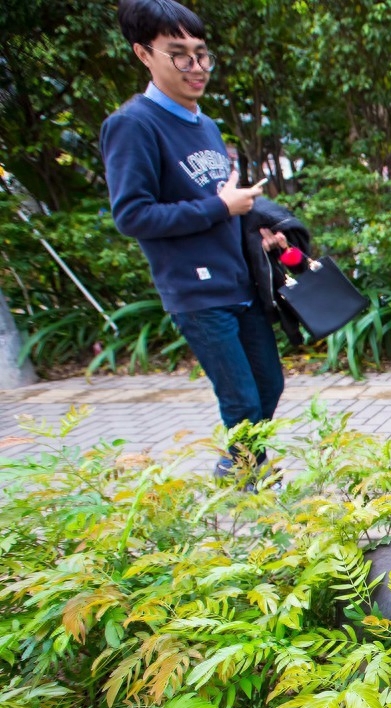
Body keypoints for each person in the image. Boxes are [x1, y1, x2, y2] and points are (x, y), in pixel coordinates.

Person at [100, 0, 289, 480]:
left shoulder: (203, 124)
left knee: (269, 383)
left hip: (239, 280)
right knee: (242, 399)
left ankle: (238, 466)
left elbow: (214, 201)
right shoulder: (132, 125)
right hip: (195, 289)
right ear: (144, 54)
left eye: (202, 54)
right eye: (179, 54)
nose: (197, 67)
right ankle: (247, 480)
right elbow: (132, 214)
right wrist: (221, 208)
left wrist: (253, 227)